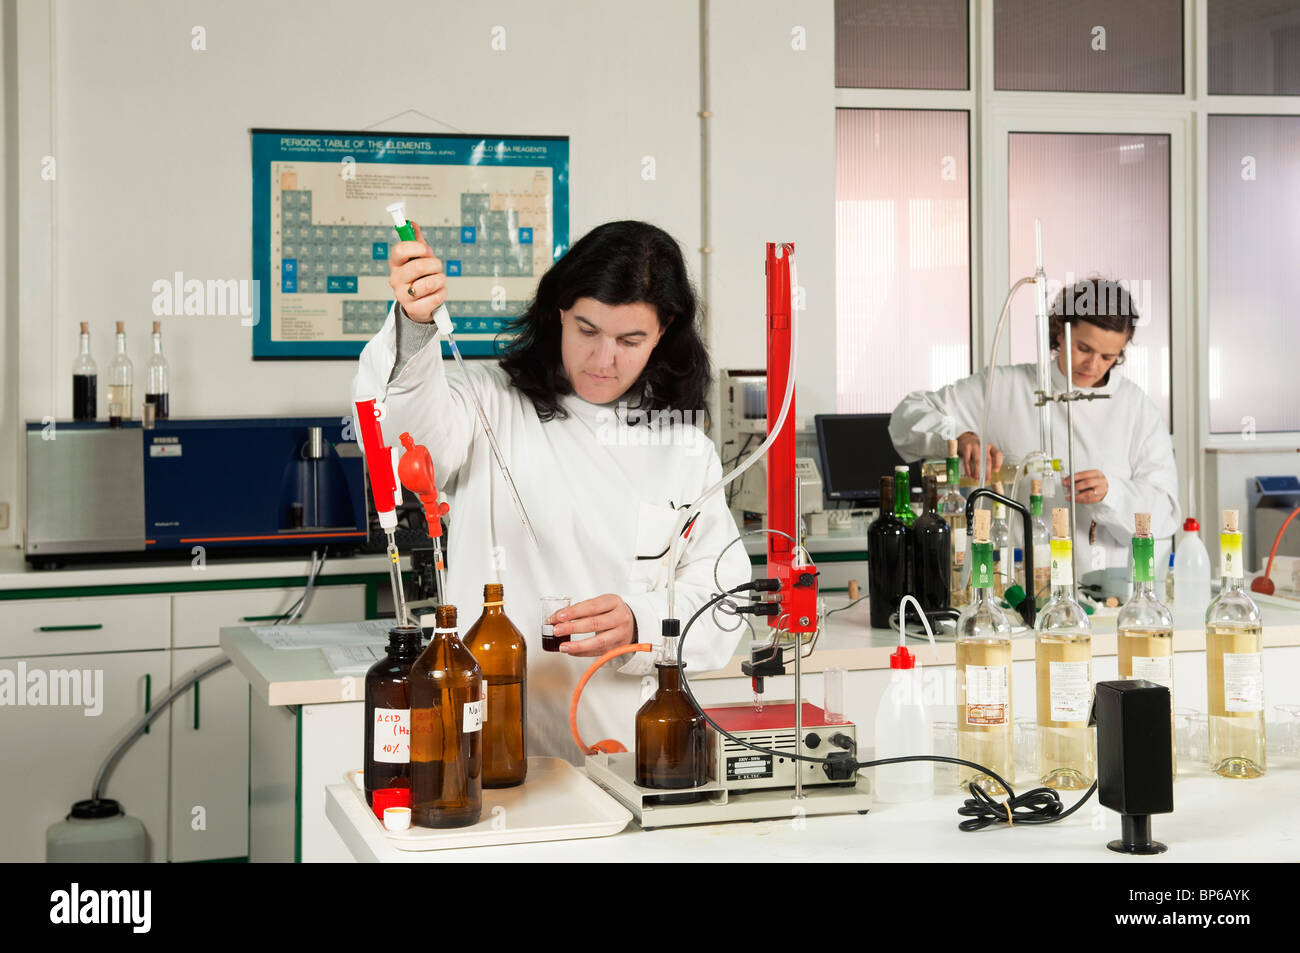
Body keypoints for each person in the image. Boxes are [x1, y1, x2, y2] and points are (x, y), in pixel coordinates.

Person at [351, 219, 751, 761]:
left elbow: (722, 605)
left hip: (627, 755)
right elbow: (418, 440)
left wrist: (640, 619)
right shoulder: (490, 400)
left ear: (664, 331)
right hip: (490, 748)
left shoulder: (684, 445)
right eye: (587, 330)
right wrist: (416, 325)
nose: (604, 359)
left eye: (630, 339)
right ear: (559, 309)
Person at [889, 279, 1181, 574]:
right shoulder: (1006, 388)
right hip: (1010, 587)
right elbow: (905, 419)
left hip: (1102, 590)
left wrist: (1111, 494)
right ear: (1059, 331)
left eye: (1108, 357)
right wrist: (958, 438)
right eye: (1083, 348)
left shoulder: (1135, 407)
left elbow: (1166, 513)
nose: (1093, 365)